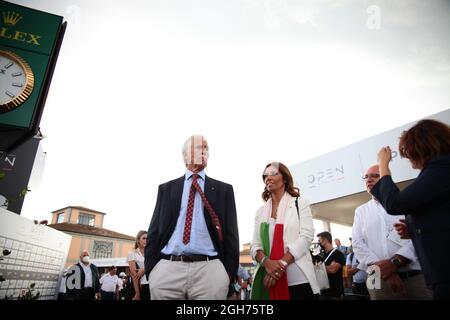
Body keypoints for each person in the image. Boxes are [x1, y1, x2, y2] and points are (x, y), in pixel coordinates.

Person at [145, 135, 240, 300]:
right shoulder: (166, 189)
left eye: (207, 148)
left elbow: (232, 234)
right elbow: (153, 231)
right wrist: (152, 270)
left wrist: (228, 272)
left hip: (210, 270)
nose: (204, 151)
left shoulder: (224, 190)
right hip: (167, 270)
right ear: (185, 154)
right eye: (199, 147)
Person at [372, 119, 450, 299]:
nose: (408, 158)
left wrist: (383, 164)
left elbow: (395, 203)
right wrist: (414, 230)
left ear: (420, 147)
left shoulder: (442, 168)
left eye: (406, 152)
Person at [352, 164, 431, 300]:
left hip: (414, 277)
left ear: (387, 178)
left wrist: (395, 262)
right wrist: (385, 270)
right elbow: (357, 243)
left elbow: (418, 234)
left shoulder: (405, 201)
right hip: (377, 280)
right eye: (366, 177)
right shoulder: (361, 211)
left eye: (375, 176)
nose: (369, 180)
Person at [251, 162, 320, 300]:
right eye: (265, 175)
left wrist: (279, 266)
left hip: (299, 280)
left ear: (285, 178)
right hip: (268, 281)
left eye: (273, 173)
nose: (268, 178)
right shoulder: (260, 212)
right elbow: (255, 245)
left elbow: (306, 237)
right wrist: (266, 263)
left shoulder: (300, 203)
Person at [317, 231, 346, 300]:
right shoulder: (322, 256)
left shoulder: (338, 254)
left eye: (319, 240)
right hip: (323, 293)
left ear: (326, 240)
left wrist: (318, 268)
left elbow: (332, 270)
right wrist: (326, 267)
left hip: (335, 294)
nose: (318, 243)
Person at [127, 230, 150, 300]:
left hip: (156, 284)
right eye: (143, 238)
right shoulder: (132, 254)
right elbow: (135, 276)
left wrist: (144, 269)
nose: (146, 240)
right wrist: (137, 293)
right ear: (138, 240)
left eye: (147, 238)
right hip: (142, 286)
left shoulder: (152, 252)